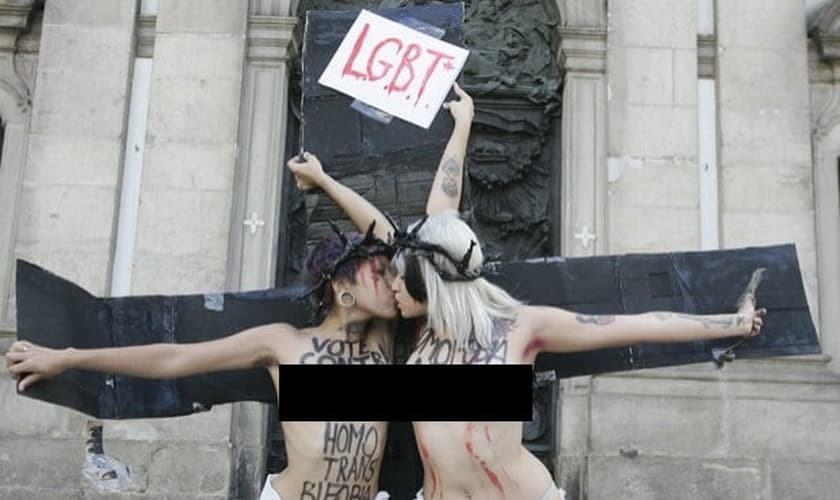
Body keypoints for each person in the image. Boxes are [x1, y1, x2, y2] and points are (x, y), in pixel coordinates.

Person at [287, 83, 768, 500]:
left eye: (397, 275)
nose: (389, 281)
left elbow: (637, 326)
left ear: (430, 280)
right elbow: (426, 214)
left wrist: (733, 324)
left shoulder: (520, 328)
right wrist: (459, 127)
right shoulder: (421, 328)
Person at [5, 228, 398, 500]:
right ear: (341, 286)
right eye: (379, 274)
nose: (394, 282)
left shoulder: (381, 342)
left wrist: (325, 182)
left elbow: (391, 235)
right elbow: (177, 357)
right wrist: (67, 358)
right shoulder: (284, 343)